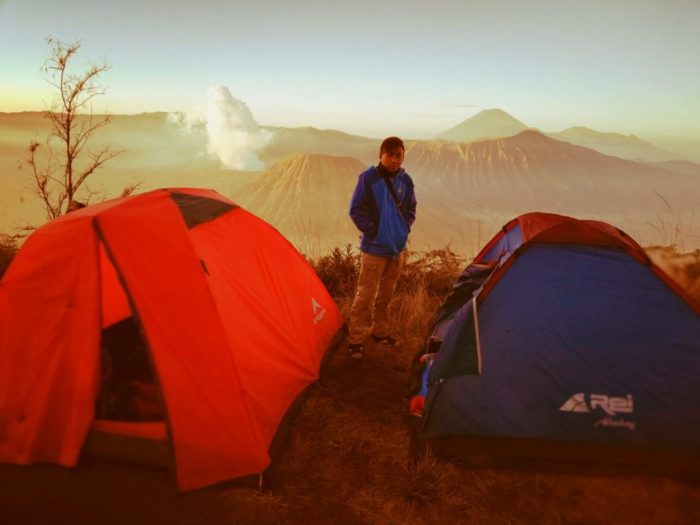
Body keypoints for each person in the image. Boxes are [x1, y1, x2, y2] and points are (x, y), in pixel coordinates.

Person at [347, 136, 417, 358]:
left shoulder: (406, 182)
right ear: (381, 155)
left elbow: (411, 208)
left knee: (386, 294)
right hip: (374, 249)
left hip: (396, 249)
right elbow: (356, 209)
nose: (395, 160)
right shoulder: (368, 178)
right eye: (390, 155)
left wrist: (403, 229)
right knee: (365, 294)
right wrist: (375, 231)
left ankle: (379, 332)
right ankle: (356, 339)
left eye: (399, 156)